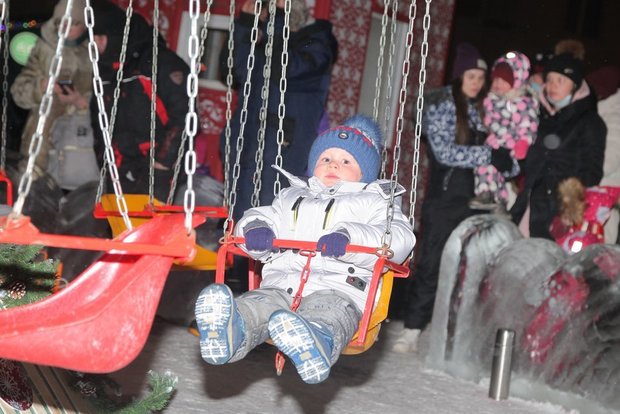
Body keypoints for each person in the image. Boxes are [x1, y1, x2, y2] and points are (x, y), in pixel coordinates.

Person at [195, 115, 415, 384]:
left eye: (346, 161)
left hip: (340, 289)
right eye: (326, 158)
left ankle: (315, 343)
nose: (333, 164)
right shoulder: (291, 196)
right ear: (313, 166)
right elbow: (261, 215)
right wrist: (255, 230)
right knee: (258, 305)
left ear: (365, 174)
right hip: (281, 286)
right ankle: (230, 331)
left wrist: (349, 238)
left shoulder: (376, 202)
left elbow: (400, 239)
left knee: (329, 314)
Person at [392, 42, 516, 354]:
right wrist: (488, 154)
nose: (476, 83)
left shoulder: (482, 109)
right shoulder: (442, 105)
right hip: (445, 198)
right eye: (471, 76)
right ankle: (412, 329)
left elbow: (504, 150)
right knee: (432, 264)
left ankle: (452, 334)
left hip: (478, 200)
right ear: (459, 76)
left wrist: (508, 162)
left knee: (470, 270)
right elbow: (444, 152)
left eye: (481, 78)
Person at [222, 0, 338, 221]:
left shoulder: (317, 42)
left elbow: (284, 69)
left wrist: (277, 21)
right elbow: (233, 70)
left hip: (283, 144)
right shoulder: (269, 40)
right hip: (248, 134)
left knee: (269, 210)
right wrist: (245, 25)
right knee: (238, 210)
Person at [90, 0, 190, 201]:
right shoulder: (106, 70)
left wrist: (163, 163)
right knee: (117, 220)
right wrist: (106, 161)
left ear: (116, 36)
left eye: (101, 37)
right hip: (120, 167)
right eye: (93, 39)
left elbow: (185, 117)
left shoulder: (161, 64)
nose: (97, 45)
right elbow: (99, 120)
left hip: (157, 168)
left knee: (152, 219)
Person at [510, 53, 607, 240]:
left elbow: (592, 171)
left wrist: (570, 204)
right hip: (528, 206)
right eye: (549, 80)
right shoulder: (540, 118)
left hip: (561, 214)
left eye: (560, 80)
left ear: (575, 86)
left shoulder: (589, 122)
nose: (552, 86)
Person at [11, 0, 95, 188]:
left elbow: (106, 99)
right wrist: (41, 85)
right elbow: (19, 93)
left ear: (83, 25)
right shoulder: (45, 48)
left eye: (73, 23)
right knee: (32, 189)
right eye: (60, 22)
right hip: (41, 140)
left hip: (79, 140)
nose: (65, 28)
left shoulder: (93, 51)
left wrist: (80, 102)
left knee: (77, 192)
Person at [469, 51, 537, 211]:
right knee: (484, 168)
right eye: (495, 79)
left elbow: (528, 125)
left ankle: (496, 197)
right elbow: (483, 122)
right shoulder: (490, 101)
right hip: (493, 144)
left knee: (493, 168)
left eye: (504, 79)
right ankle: (488, 195)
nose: (497, 83)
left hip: (511, 146)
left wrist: (523, 143)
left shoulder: (522, 103)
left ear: (516, 81)